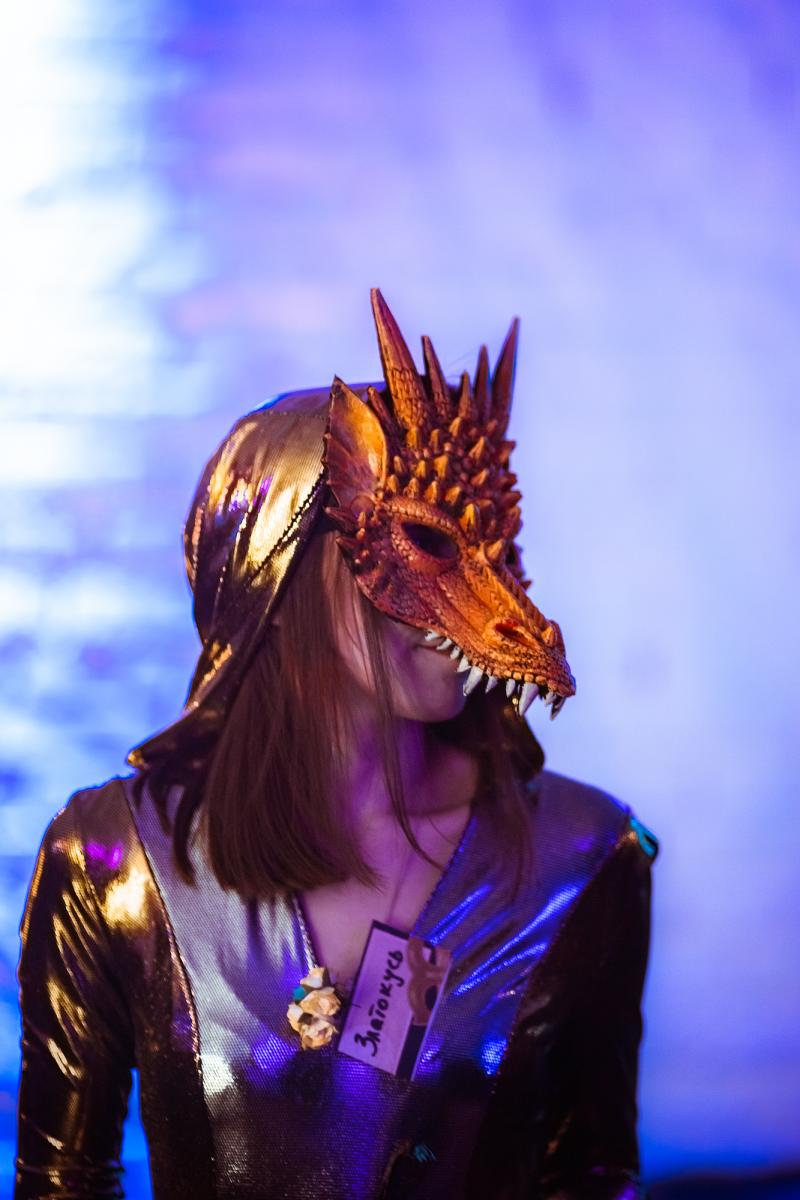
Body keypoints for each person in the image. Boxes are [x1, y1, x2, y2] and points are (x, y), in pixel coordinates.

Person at [14, 289, 659, 1199]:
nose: (503, 600)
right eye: (431, 541)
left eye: (498, 549)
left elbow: (589, 1179)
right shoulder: (115, 864)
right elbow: (62, 1182)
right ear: (278, 562)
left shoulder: (582, 860)